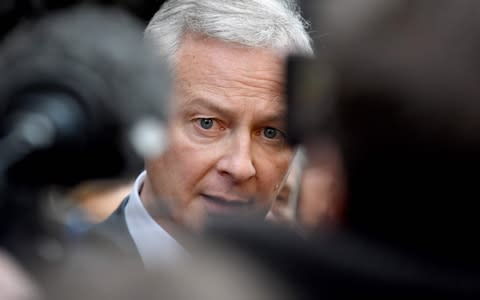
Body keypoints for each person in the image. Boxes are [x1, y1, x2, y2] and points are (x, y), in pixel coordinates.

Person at [98, 0, 313, 267]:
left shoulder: (311, 284)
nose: (240, 166)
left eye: (270, 132)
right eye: (207, 124)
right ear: (144, 116)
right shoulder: (60, 282)